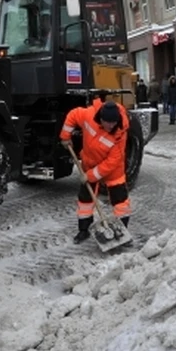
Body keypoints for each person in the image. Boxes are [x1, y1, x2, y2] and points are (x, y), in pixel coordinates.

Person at [60, 99, 132, 244]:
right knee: (85, 200)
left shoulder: (119, 134)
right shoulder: (88, 115)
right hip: (89, 164)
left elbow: (112, 162)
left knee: (120, 202)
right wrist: (65, 136)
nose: (111, 126)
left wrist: (91, 176)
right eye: (108, 122)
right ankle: (83, 230)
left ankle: (121, 232)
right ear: (101, 118)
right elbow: (73, 115)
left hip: (113, 171)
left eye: (114, 122)